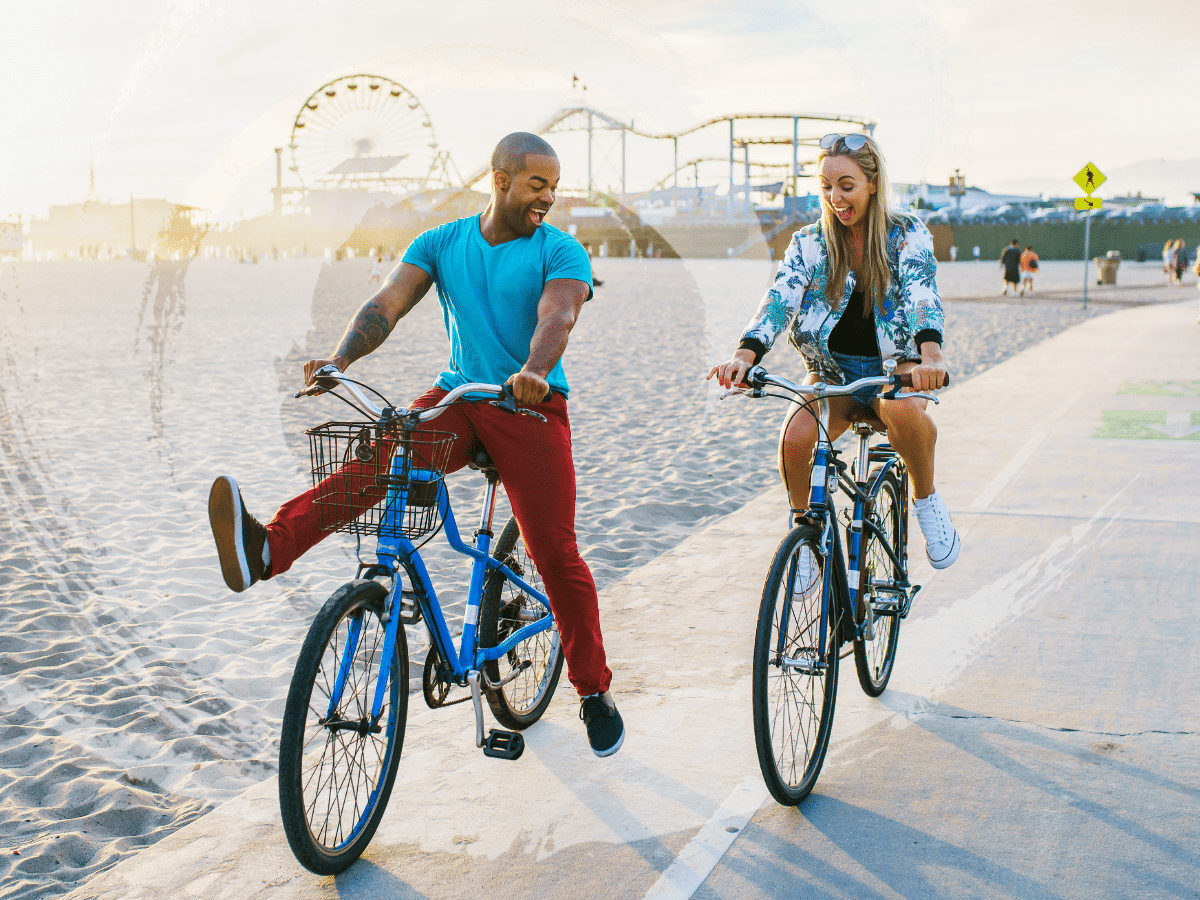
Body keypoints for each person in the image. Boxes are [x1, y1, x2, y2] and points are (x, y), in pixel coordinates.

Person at [207, 132, 624, 757]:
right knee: (381, 459)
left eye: (554, 188)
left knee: (555, 552)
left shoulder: (559, 248)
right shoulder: (443, 241)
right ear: (502, 177)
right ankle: (266, 548)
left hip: (529, 406)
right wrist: (341, 359)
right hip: (459, 396)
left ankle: (592, 691)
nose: (549, 198)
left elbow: (557, 315)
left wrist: (535, 370)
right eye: (538, 185)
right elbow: (388, 303)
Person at [707, 132, 960, 570]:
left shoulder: (907, 235)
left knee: (902, 413)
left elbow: (922, 294)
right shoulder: (809, 242)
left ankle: (927, 502)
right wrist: (744, 357)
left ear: (873, 183)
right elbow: (779, 299)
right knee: (795, 436)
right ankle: (804, 534)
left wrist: (930, 356)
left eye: (846, 185)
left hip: (896, 369)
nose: (835, 198)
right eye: (825, 186)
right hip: (831, 372)